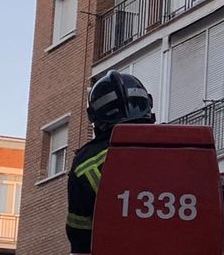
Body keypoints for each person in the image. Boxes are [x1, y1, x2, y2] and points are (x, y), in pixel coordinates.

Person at [66, 70, 156, 254]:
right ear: (148, 104)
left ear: (94, 116)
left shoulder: (86, 166)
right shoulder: (182, 148)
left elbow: (80, 237)